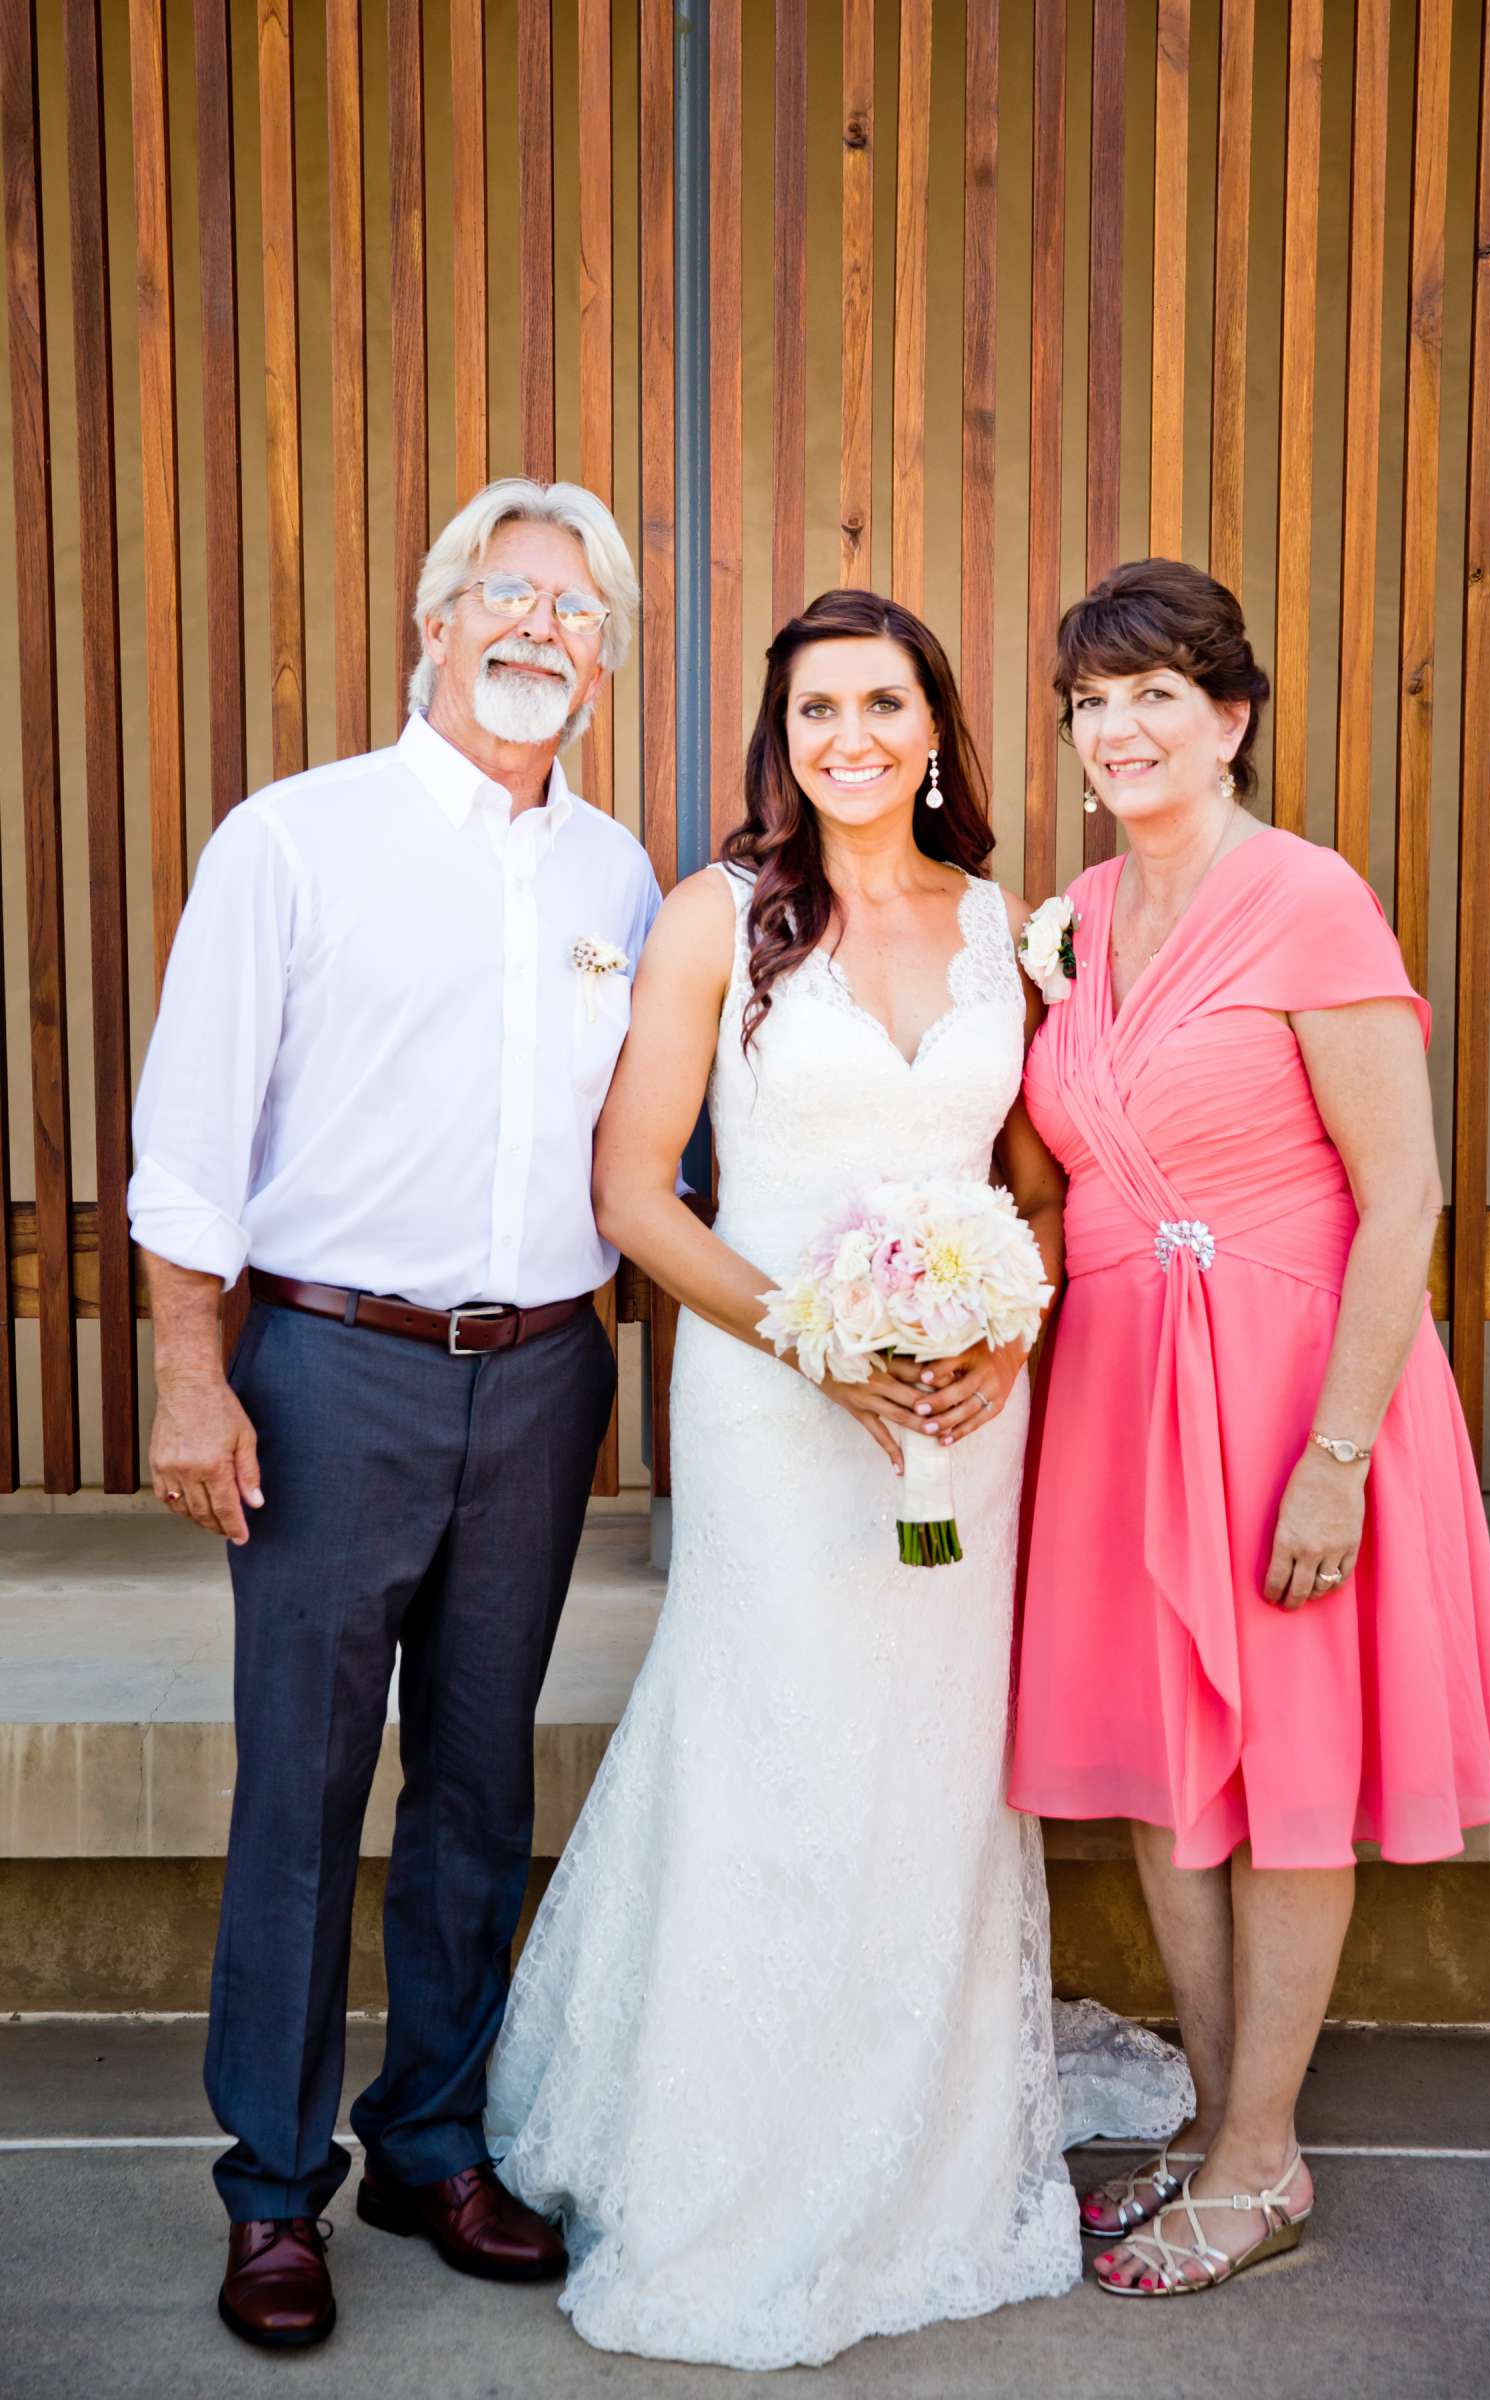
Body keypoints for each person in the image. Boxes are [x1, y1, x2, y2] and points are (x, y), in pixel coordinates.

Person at [485, 589, 1191, 2369]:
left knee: (932, 1753)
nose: (850, 738)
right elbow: (637, 1191)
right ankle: (726, 2132)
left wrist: (1002, 1337)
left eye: (883, 703)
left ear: (937, 727)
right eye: (816, 711)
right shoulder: (718, 918)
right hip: (769, 1391)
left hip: (962, 1402)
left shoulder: (1006, 936)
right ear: (780, 741)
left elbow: (1041, 1186)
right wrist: (813, 1336)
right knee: (775, 1730)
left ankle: (923, 2118)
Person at [129, 478, 659, 2349]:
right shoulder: (295, 840)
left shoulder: (622, 878)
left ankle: (434, 2137)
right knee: (303, 1788)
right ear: (432, 624)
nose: (540, 630)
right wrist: (193, 1374)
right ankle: (274, 2195)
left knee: (477, 1786)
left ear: (605, 665)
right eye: (507, 594)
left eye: (580, 612)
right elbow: (192, 1136)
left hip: (541, 1377)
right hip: (331, 1367)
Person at [1009, 557, 1490, 2297]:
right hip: (1122, 1399)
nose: (1125, 725)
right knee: (1176, 1777)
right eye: (1096, 700)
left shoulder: (1309, 898)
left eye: (1162, 689)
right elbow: (1041, 1166)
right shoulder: (1073, 921)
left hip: (1292, 1397)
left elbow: (1406, 1198)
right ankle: (1230, 2118)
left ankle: (1257, 2166)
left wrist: (1341, 1454)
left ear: (1230, 719)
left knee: (1289, 1774)